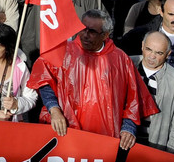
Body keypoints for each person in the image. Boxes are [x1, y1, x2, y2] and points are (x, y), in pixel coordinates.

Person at [27, 9, 158, 147]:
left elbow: (133, 98)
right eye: (83, 29)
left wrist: (128, 127)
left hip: (103, 138)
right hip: (65, 130)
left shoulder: (120, 59)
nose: (85, 35)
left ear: (105, 35)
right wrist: (54, 109)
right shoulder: (63, 52)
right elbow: (43, 80)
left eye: (92, 31)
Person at [131, 31, 174, 154]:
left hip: (153, 146)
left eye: (159, 53)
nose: (152, 56)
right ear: (142, 46)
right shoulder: (124, 65)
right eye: (149, 49)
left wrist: (170, 158)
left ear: (168, 54)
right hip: (121, 140)